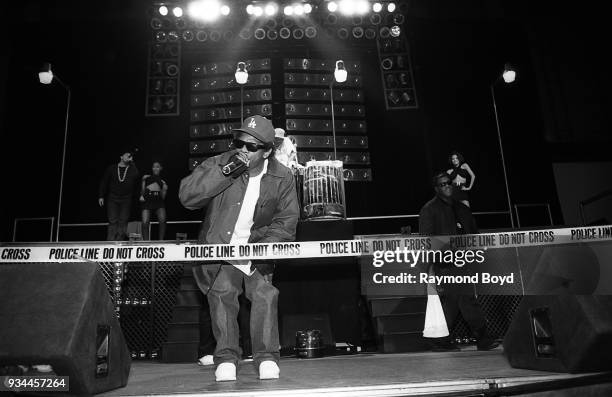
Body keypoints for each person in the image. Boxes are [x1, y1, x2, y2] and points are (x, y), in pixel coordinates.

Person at [179, 115, 299, 382]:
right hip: (221, 246)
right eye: (238, 142)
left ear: (267, 151)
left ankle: (267, 357)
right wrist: (225, 172)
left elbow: (287, 220)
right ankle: (226, 358)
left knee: (265, 295)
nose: (242, 150)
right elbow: (187, 197)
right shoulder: (221, 163)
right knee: (222, 295)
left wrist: (264, 249)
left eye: (251, 147)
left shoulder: (283, 176)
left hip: (257, 247)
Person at [418, 171, 499, 351]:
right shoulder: (429, 209)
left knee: (462, 301)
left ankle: (445, 341)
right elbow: (426, 240)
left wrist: (477, 254)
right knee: (457, 300)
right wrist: (441, 258)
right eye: (442, 184)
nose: (447, 186)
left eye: (449, 183)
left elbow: (474, 234)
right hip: (445, 264)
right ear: (436, 188)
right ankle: (477, 339)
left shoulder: (462, 208)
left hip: (465, 261)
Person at [98, 150, 140, 241]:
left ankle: (119, 243)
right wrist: (101, 195)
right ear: (121, 157)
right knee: (113, 221)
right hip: (113, 198)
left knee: (123, 221)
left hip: (126, 199)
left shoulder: (131, 168)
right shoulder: (112, 168)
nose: (129, 156)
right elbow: (104, 182)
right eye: (127, 155)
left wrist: (132, 162)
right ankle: (110, 243)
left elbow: (136, 175)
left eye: (130, 155)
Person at [139, 161, 168, 240]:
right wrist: (143, 181)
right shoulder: (146, 177)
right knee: (145, 222)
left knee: (162, 221)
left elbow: (163, 197)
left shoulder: (163, 181)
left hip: (159, 203)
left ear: (160, 168)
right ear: (152, 168)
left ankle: (161, 241)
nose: (155, 168)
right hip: (147, 202)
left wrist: (164, 190)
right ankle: (145, 243)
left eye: (157, 167)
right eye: (154, 166)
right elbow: (142, 192)